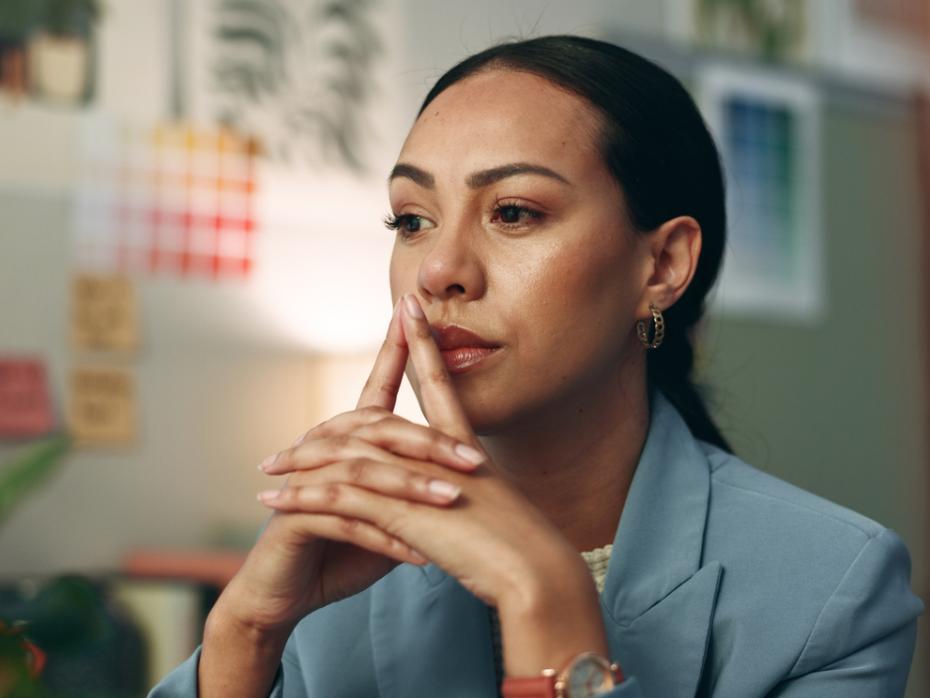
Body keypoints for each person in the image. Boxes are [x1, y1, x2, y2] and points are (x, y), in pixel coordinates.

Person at [150, 35, 924, 697]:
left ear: (661, 265)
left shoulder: (833, 587)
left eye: (513, 212)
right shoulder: (336, 552)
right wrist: (243, 637)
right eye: (412, 220)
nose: (440, 269)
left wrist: (545, 597)